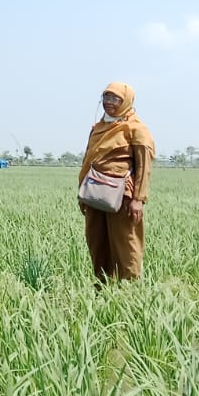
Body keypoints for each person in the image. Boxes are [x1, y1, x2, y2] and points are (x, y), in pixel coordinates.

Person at [76, 82, 154, 282]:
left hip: (122, 195)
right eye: (106, 97)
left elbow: (144, 167)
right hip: (94, 192)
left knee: (126, 243)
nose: (109, 102)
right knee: (97, 242)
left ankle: (130, 289)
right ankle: (102, 287)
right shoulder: (98, 127)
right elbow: (88, 159)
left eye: (115, 98)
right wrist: (82, 193)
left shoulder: (136, 129)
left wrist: (138, 199)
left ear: (126, 101)